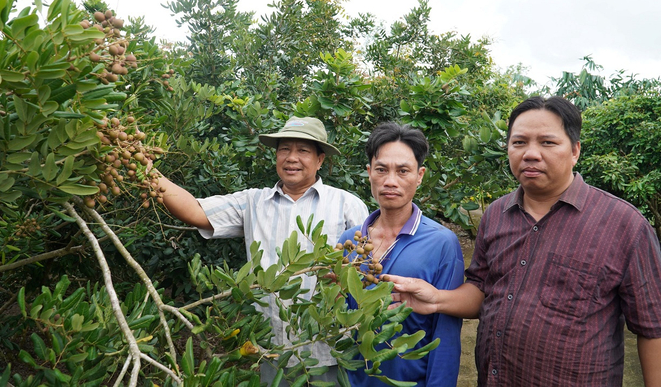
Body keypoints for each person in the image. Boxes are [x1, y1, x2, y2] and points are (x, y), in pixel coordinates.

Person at [384, 96, 661, 386]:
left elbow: (653, 328)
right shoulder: (496, 215)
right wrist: (437, 299)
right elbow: (481, 288)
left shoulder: (623, 224)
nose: (530, 154)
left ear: (575, 150)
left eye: (547, 142)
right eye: (519, 143)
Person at [157, 116, 369, 384]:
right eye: (284, 149)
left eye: (303, 150)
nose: (292, 158)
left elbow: (365, 268)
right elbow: (195, 211)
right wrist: (143, 167)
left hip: (330, 350)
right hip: (273, 352)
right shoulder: (252, 202)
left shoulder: (347, 204)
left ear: (320, 160)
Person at [336, 122, 464, 387]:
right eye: (381, 170)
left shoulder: (441, 243)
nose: (390, 181)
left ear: (420, 175)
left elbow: (446, 334)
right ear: (369, 173)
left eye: (403, 171)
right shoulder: (349, 242)